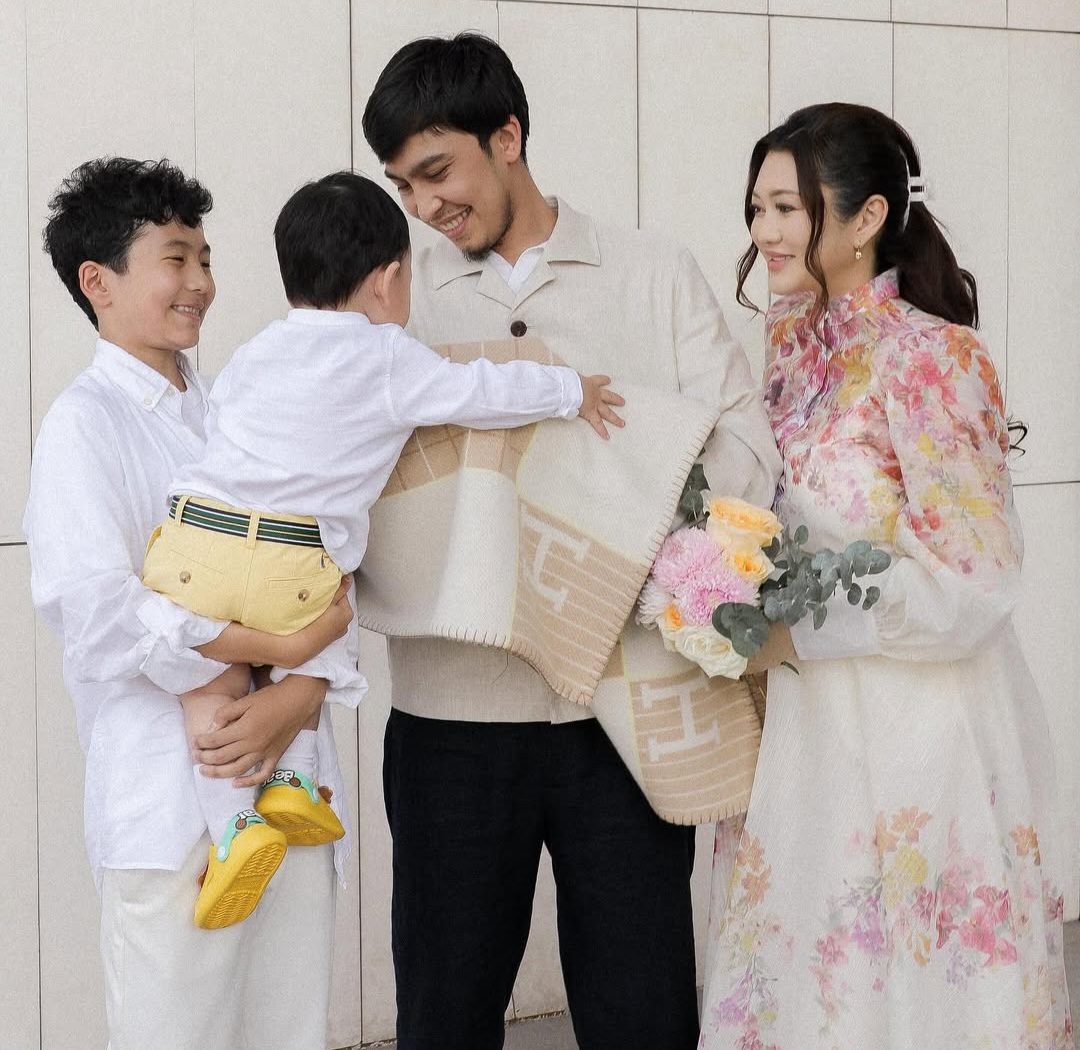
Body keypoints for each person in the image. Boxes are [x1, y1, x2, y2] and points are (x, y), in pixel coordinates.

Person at [360, 33, 782, 1050]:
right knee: (444, 1016)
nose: (424, 205)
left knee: (642, 1013)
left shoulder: (652, 271)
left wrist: (612, 504)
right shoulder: (390, 298)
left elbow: (746, 453)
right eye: (403, 186)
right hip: (451, 716)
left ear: (507, 137)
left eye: (437, 172)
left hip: (623, 717)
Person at [142, 169, 624, 930]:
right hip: (292, 560)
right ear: (388, 280)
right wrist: (573, 391)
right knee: (332, 600)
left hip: (195, 540)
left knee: (208, 680)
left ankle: (236, 825)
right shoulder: (388, 357)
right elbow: (483, 392)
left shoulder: (255, 352)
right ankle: (294, 782)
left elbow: (224, 430)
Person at [700, 102, 1071, 1049]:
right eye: (757, 207)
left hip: (914, 728)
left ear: (866, 217)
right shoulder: (788, 348)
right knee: (807, 987)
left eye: (788, 207)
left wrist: (799, 629)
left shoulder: (932, 357)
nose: (764, 230)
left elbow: (979, 583)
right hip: (798, 727)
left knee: (909, 987)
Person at [24, 157, 358, 1050]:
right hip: (167, 807)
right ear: (97, 282)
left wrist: (298, 692)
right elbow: (100, 615)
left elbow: (322, 569)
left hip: (293, 787)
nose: (202, 283)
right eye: (175, 259)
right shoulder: (84, 425)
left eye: (205, 258)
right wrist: (273, 653)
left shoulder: (239, 411)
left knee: (290, 1032)